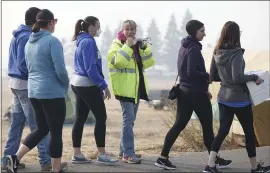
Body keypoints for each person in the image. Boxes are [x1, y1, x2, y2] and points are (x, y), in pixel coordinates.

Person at [154, 20, 232, 170]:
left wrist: (203, 88)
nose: (204, 33)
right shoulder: (194, 48)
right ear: (195, 32)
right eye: (202, 31)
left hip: (184, 92)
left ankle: (162, 157)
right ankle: (214, 160)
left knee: (179, 125)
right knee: (207, 127)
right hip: (195, 95)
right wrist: (208, 76)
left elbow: (187, 74)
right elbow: (192, 72)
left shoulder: (184, 46)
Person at [5, 9, 69, 173]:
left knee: (41, 129)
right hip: (52, 92)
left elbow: (29, 68)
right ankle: (54, 169)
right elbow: (60, 70)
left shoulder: (29, 42)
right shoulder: (52, 41)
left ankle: (14, 158)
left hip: (34, 92)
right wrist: (65, 84)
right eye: (55, 21)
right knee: (55, 132)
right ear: (50, 23)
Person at [204, 21, 270, 173]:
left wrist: (226, 78)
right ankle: (255, 167)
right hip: (239, 99)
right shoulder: (236, 53)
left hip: (223, 98)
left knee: (222, 132)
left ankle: (210, 165)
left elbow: (213, 76)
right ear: (236, 34)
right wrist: (254, 77)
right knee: (248, 132)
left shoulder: (217, 51)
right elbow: (237, 77)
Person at [2, 7, 52, 171]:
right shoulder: (26, 37)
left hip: (15, 85)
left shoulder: (17, 35)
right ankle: (46, 162)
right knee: (39, 126)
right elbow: (24, 65)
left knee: (16, 125)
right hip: (25, 86)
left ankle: (7, 161)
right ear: (34, 20)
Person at [70, 16, 118, 164]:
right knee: (101, 117)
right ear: (90, 27)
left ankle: (77, 154)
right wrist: (103, 86)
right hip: (87, 84)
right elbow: (91, 69)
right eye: (97, 26)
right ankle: (102, 154)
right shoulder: (89, 42)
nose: (99, 29)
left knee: (80, 119)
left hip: (77, 83)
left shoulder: (81, 41)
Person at [107, 20, 155, 164]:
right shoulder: (116, 45)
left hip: (136, 90)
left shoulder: (137, 45)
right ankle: (128, 153)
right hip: (124, 90)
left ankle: (123, 152)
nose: (130, 32)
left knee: (130, 122)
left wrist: (144, 48)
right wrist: (127, 46)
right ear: (122, 30)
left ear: (136, 30)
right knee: (128, 122)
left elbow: (149, 63)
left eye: (133, 29)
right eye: (127, 29)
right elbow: (118, 62)